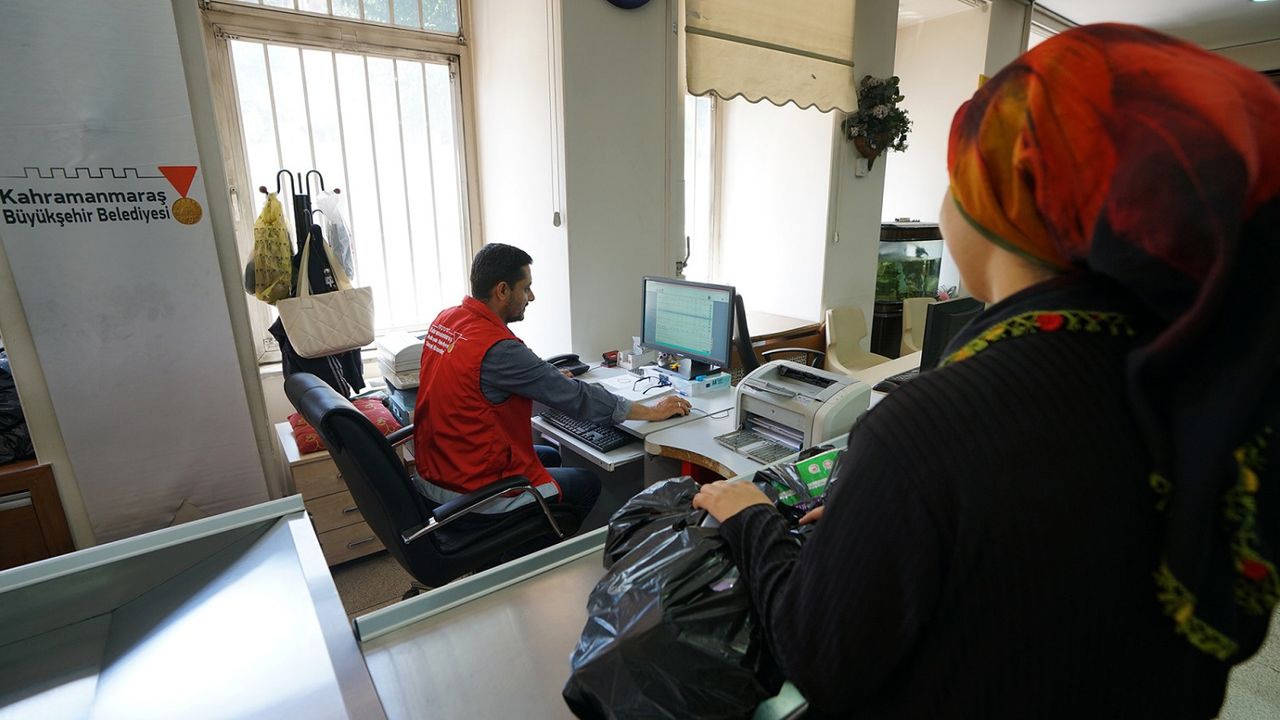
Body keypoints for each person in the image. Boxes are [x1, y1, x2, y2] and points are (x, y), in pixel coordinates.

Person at [694, 24, 1280, 718]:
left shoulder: (925, 432)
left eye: (957, 176)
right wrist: (877, 529)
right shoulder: (1210, 386)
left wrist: (754, 519)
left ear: (1009, 196)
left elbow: (821, 657)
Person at [413, 243, 691, 535]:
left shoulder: (448, 320)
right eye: (526, 288)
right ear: (502, 290)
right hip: (469, 491)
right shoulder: (498, 349)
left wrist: (543, 377)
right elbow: (577, 397)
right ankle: (531, 558)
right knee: (587, 483)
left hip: (437, 469)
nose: (531, 297)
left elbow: (473, 384)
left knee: (548, 455)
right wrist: (651, 411)